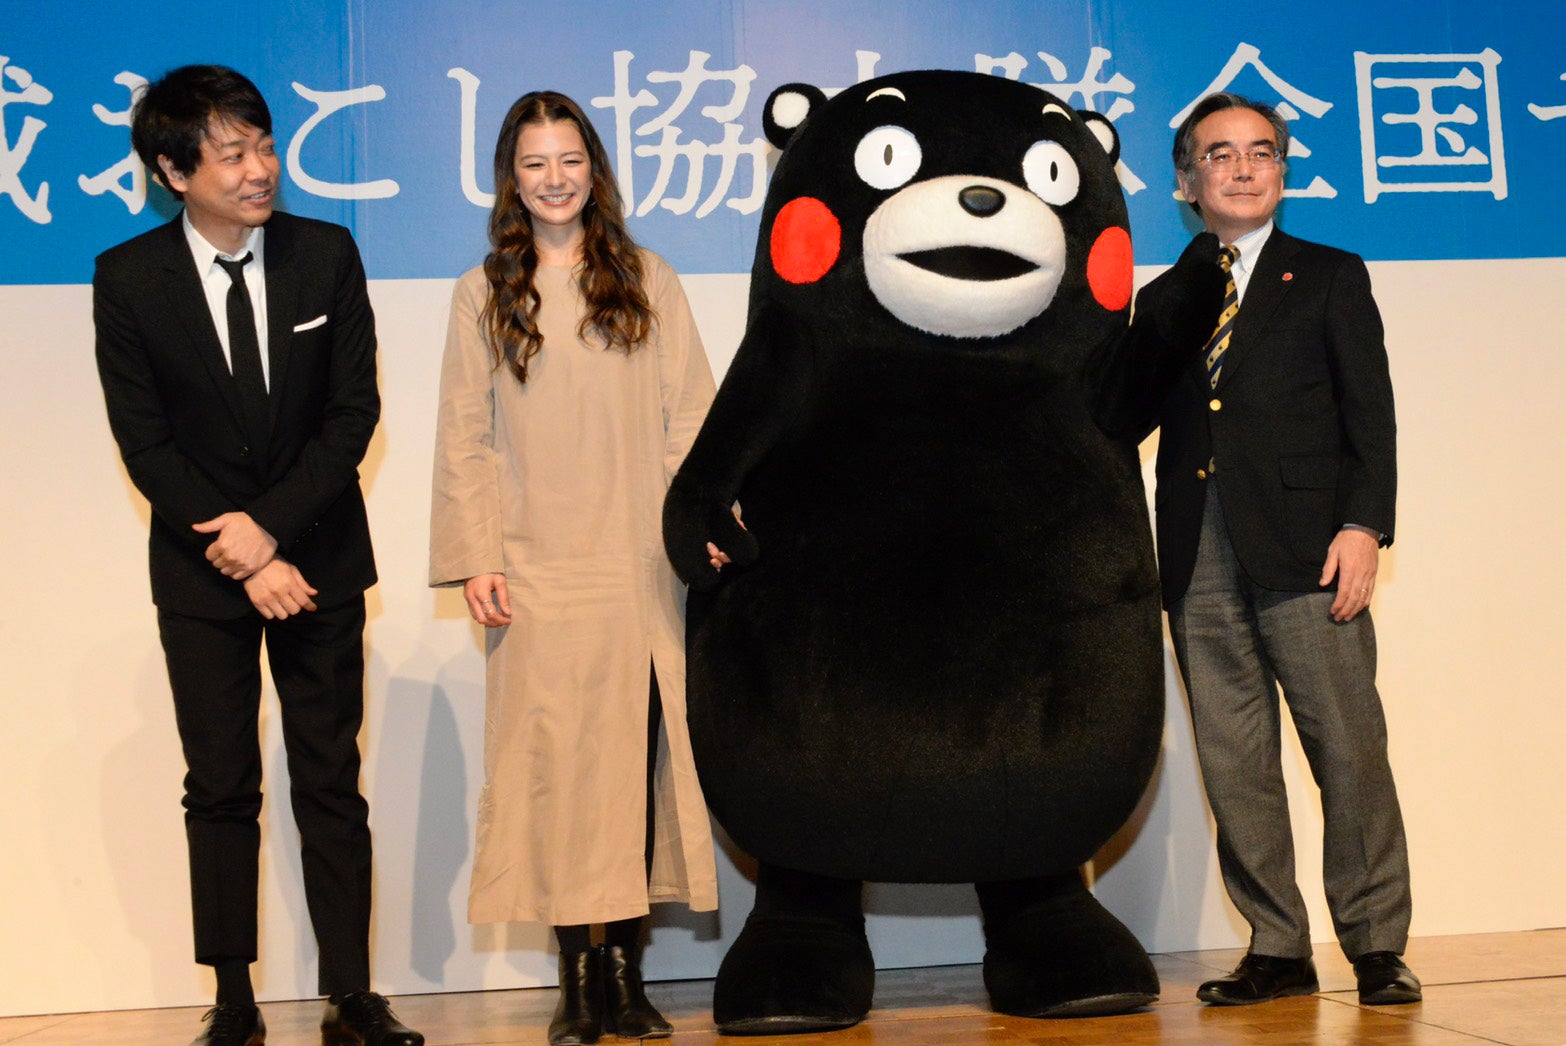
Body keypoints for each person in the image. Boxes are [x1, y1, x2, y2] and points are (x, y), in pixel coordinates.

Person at [92, 65, 422, 1046]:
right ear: (172, 167)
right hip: (201, 573)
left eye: (264, 145)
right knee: (221, 780)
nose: (259, 168)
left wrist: (270, 532)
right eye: (232, 152)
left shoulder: (326, 254)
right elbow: (144, 441)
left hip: (318, 554)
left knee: (330, 776)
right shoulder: (127, 277)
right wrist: (237, 550)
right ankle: (232, 996)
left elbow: (352, 414)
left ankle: (352, 995)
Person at [1100, 92, 1420, 1007]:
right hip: (1196, 551)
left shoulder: (1328, 276)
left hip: (1311, 550)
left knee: (1348, 752)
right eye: (1220, 155)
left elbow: (1373, 418)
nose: (1242, 168)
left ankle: (1375, 946)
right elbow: (1123, 418)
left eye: (1261, 152)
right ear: (1185, 182)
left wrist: (1364, 527)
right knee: (1234, 759)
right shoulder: (1164, 298)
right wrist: (1167, 314)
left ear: (1282, 169)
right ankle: (1276, 947)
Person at [428, 90, 720, 1046]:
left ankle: (624, 975)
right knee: (557, 778)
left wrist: (697, 529)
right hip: (536, 573)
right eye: (533, 164)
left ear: (595, 170)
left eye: (569, 161)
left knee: (631, 777)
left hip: (638, 570)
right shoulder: (486, 291)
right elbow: (464, 438)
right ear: (510, 180)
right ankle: (573, 980)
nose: (554, 180)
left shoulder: (647, 279)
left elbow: (692, 421)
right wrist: (473, 557)